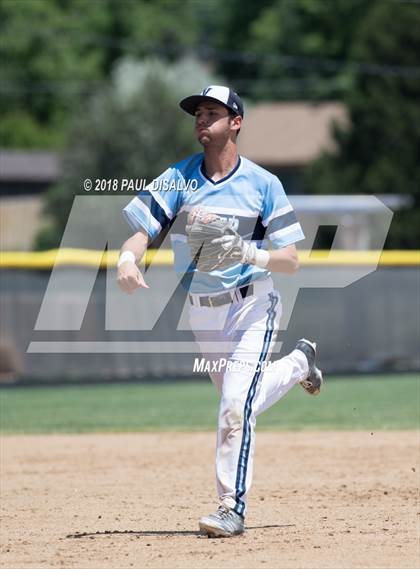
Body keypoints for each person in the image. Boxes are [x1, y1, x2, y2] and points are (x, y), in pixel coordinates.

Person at [117, 85, 323, 538]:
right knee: (241, 402)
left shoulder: (264, 184)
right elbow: (140, 232)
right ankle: (299, 363)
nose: (201, 121)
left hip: (254, 306)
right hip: (202, 313)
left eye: (212, 113)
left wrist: (248, 254)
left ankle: (231, 508)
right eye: (197, 114)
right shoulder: (178, 177)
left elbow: (290, 260)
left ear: (236, 123)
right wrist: (127, 260)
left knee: (234, 405)